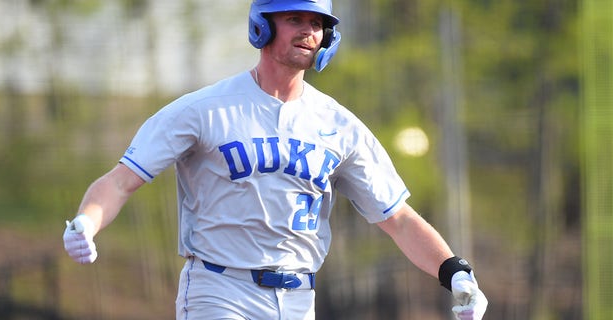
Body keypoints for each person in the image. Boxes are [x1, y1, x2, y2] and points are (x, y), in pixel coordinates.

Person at [63, 1, 488, 319]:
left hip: (300, 299)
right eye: (295, 19)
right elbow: (121, 182)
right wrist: (87, 220)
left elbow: (398, 218)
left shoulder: (339, 125)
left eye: (318, 23)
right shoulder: (205, 109)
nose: (309, 31)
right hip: (218, 289)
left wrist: (456, 272)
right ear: (262, 26)